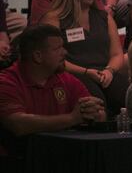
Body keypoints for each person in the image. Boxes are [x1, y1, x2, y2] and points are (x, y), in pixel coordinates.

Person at [0, 25, 106, 156]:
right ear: (38, 56)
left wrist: (95, 113)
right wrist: (72, 118)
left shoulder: (65, 79)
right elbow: (18, 124)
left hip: (59, 160)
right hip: (17, 164)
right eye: (57, 49)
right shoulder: (7, 82)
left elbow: (97, 112)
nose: (65, 52)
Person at [39, 0, 127, 114]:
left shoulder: (104, 17)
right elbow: (52, 59)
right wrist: (86, 72)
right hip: (73, 73)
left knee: (126, 97)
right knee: (97, 103)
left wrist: (109, 71)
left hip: (103, 72)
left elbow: (117, 54)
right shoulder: (55, 19)